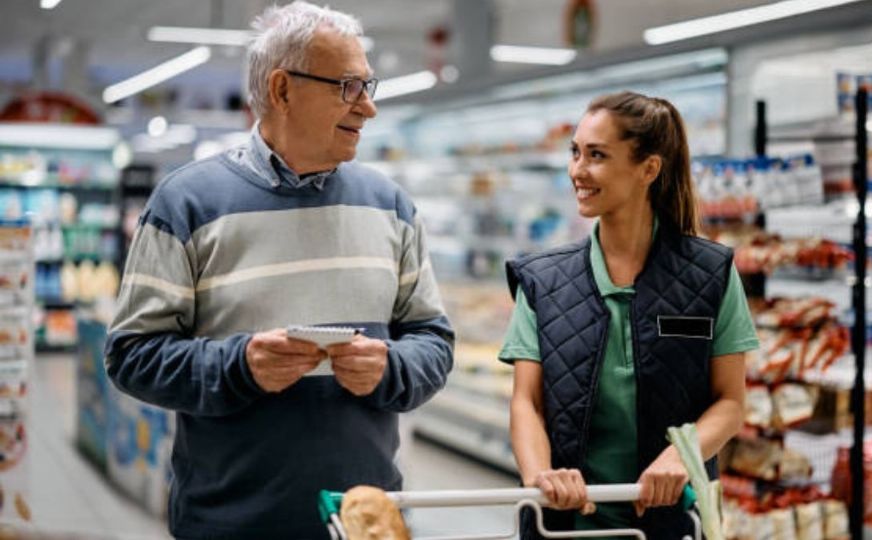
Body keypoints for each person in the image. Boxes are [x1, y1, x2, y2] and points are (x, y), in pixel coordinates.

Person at [105, 3, 454, 539]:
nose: (368, 108)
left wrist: (390, 367)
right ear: (283, 89)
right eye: (348, 87)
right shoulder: (186, 204)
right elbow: (131, 356)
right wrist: (239, 365)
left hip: (365, 522)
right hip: (229, 524)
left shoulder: (391, 207)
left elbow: (433, 340)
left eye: (369, 86)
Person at [500, 91, 757, 539]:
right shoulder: (543, 280)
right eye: (575, 152)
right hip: (564, 524)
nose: (577, 170)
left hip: (670, 521)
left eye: (596, 156)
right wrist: (541, 478)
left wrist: (682, 455)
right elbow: (528, 402)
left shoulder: (710, 275)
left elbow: (731, 403)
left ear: (649, 169)